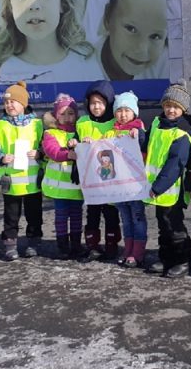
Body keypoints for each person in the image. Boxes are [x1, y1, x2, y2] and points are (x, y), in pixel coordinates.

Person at [0, 81, 43, 260]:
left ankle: (33, 242)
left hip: (32, 182)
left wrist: (39, 153)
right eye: (6, 102)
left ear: (23, 104)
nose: (9, 105)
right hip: (10, 182)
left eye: (13, 101)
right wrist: (1, 157)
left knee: (34, 215)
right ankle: (10, 245)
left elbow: (46, 147)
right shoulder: (0, 126)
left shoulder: (37, 125)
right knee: (11, 215)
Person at [144, 82, 191, 278]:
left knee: (174, 226)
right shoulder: (157, 124)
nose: (171, 110)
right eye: (167, 105)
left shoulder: (182, 133)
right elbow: (146, 144)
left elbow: (175, 164)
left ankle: (183, 261)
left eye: (176, 107)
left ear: (183, 109)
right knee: (162, 225)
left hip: (172, 190)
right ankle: (166, 257)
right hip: (158, 189)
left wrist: (158, 186)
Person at [98, 0, 168, 81]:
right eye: (131, 29)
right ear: (108, 18)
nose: (142, 49)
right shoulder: (79, 66)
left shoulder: (167, 68)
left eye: (155, 36)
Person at [76, 79, 120, 260]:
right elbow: (75, 145)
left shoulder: (115, 123)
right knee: (92, 212)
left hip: (111, 178)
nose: (96, 107)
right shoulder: (82, 123)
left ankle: (112, 245)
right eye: (93, 103)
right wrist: (77, 143)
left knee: (111, 213)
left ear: (108, 104)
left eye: (101, 103)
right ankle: (92, 245)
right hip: (90, 178)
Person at [106, 91, 147, 268]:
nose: (123, 115)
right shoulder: (110, 132)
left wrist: (138, 135)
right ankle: (128, 249)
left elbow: (144, 145)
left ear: (134, 113)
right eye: (119, 110)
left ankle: (138, 252)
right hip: (118, 185)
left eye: (127, 110)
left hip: (135, 186)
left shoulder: (138, 130)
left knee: (137, 218)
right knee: (126, 219)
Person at [41, 93, 84, 259]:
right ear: (55, 115)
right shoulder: (51, 133)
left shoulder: (80, 132)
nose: (67, 117)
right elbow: (52, 151)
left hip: (76, 186)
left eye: (71, 113)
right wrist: (68, 154)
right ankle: (62, 245)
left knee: (77, 216)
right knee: (61, 216)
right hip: (59, 187)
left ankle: (76, 244)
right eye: (62, 113)